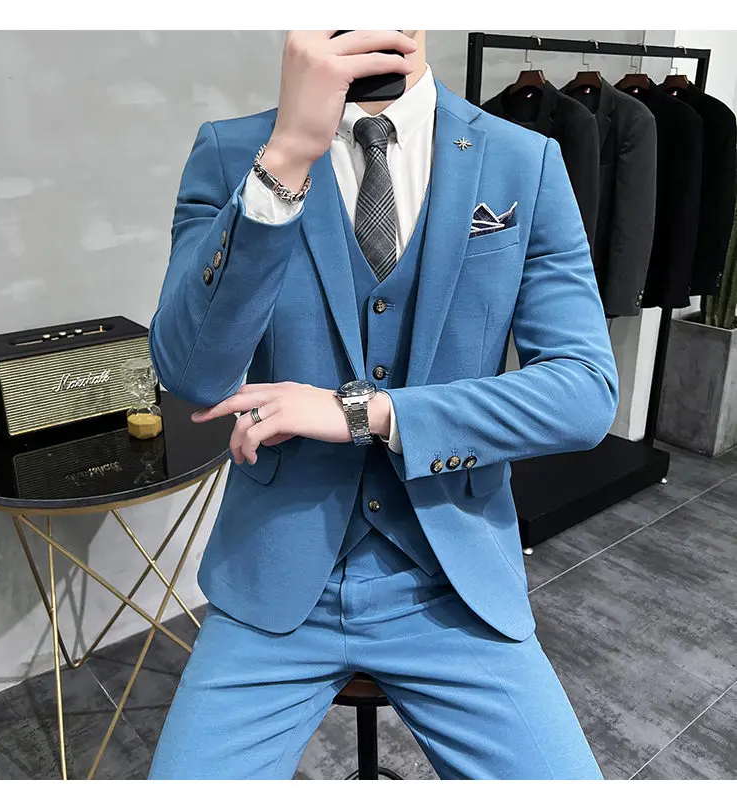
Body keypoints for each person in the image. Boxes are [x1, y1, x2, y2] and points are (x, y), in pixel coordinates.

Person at [147, 30, 619, 780]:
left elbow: (585, 391)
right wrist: (286, 159)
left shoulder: (522, 160)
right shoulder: (234, 153)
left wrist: (364, 412)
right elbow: (192, 375)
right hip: (275, 582)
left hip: (452, 583)